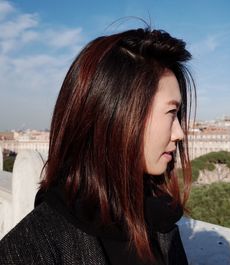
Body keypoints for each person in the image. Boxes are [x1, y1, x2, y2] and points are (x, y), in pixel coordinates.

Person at [0, 27, 195, 265]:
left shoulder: (160, 220)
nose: (180, 133)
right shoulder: (28, 251)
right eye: (171, 112)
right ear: (117, 116)